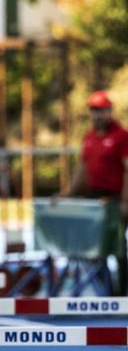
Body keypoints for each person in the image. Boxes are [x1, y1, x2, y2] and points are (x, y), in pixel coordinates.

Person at [59, 90, 128, 294]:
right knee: (92, 248)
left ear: (110, 111)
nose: (98, 115)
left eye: (102, 110)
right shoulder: (89, 137)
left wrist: (125, 201)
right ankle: (105, 289)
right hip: (93, 199)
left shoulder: (121, 136)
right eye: (94, 110)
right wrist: (67, 193)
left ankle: (122, 293)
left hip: (115, 199)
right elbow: (83, 169)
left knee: (116, 247)